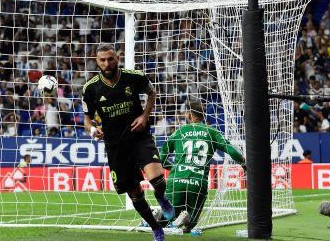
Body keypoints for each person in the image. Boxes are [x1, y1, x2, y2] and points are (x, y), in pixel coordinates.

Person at [82, 44, 174, 241]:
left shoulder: (135, 77)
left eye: (110, 59)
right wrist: (92, 129)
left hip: (138, 137)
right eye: (102, 60)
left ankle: (160, 196)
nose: (107, 63)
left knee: (157, 178)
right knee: (135, 194)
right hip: (115, 146)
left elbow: (152, 93)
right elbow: (87, 119)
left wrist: (144, 116)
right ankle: (156, 227)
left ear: (117, 58)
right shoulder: (90, 88)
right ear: (97, 62)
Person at [159, 101, 246, 233]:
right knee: (191, 225)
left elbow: (161, 159)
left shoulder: (179, 132)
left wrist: (175, 168)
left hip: (176, 180)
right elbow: (232, 151)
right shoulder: (212, 132)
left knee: (168, 218)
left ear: (189, 116)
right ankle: (187, 220)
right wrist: (244, 163)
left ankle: (158, 217)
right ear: (203, 116)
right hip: (198, 182)